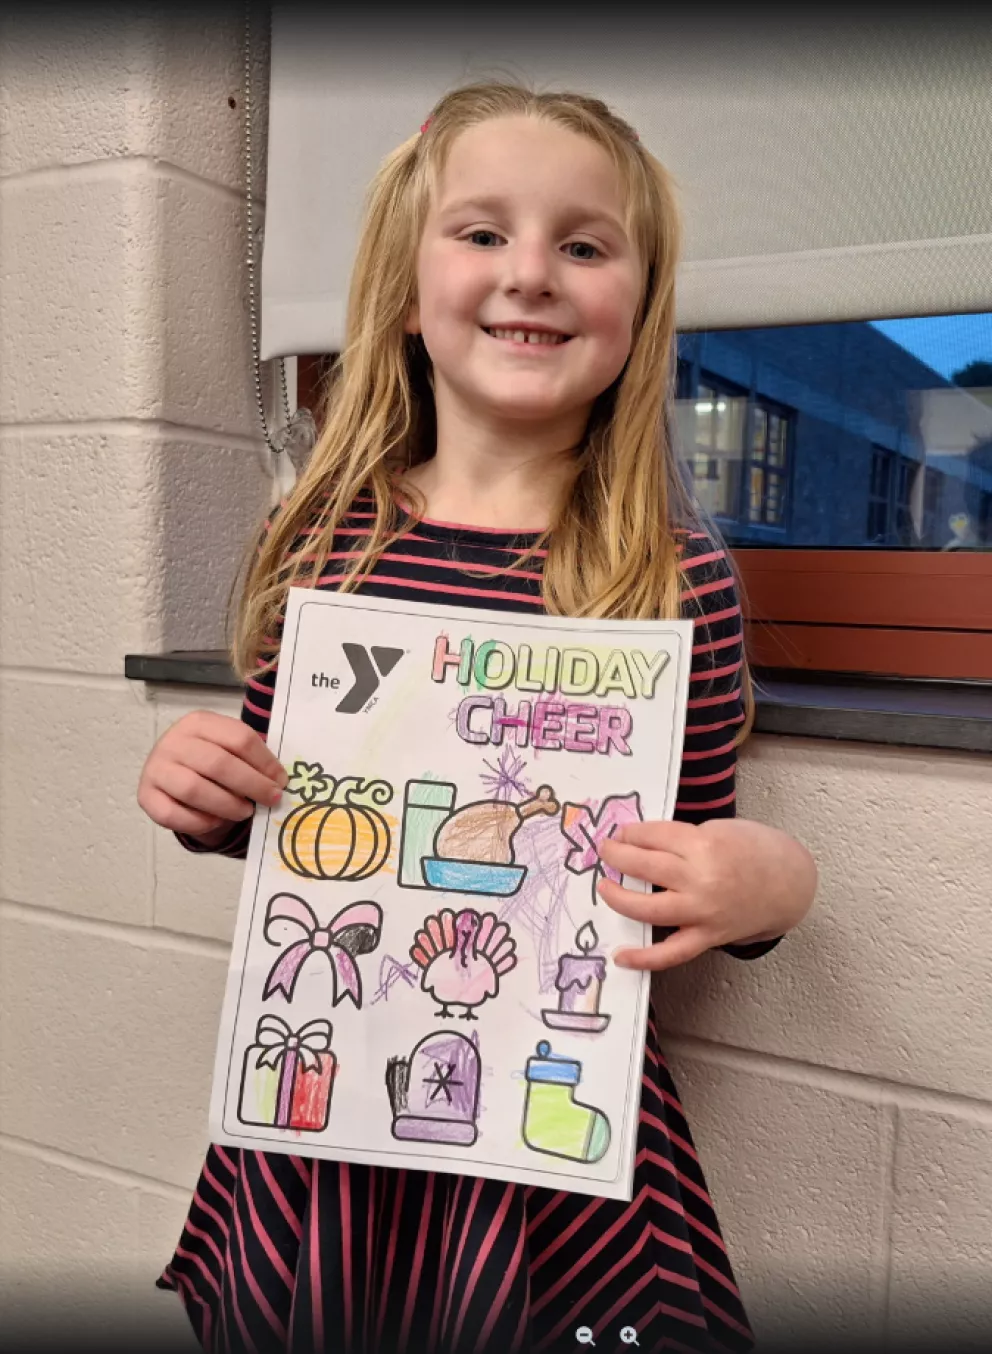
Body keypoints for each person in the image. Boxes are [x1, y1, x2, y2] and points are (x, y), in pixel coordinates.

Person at [138, 82, 817, 1354]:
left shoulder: (673, 578)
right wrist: (202, 791)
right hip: (326, 1125)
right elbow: (277, 809)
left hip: (548, 1141)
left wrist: (770, 886)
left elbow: (691, 870)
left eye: (582, 243)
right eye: (482, 233)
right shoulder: (325, 550)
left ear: (638, 303)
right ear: (407, 288)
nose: (532, 275)